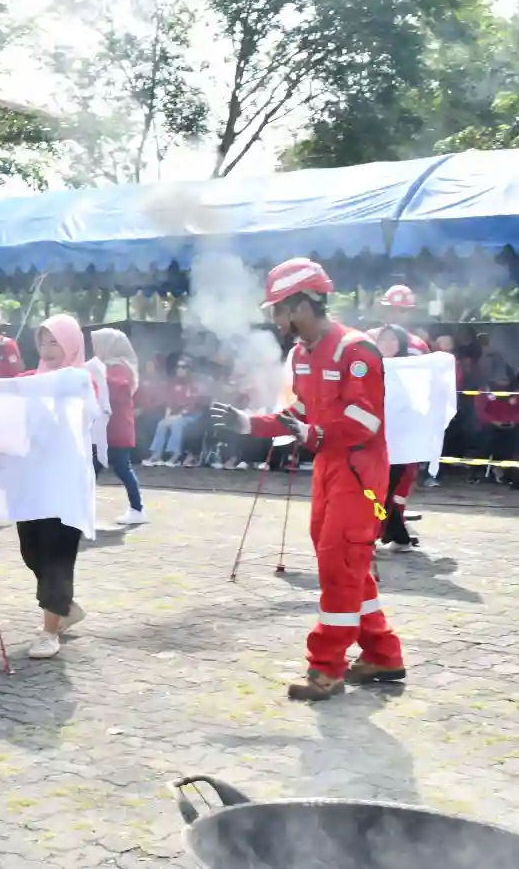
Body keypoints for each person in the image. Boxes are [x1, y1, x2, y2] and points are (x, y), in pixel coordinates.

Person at [212, 257, 406, 702]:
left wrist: (312, 434)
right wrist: (249, 423)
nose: (276, 320)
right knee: (345, 561)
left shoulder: (357, 351)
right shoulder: (301, 355)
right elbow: (298, 413)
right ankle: (382, 653)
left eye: (280, 310)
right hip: (329, 468)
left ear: (302, 304)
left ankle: (326, 668)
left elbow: (366, 421)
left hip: (359, 471)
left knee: (339, 561)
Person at [20, 314, 91, 659]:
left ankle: (50, 631)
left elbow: (82, 418)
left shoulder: (81, 382)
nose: (47, 349)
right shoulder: (31, 381)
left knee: (56, 556)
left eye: (55, 342)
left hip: (65, 485)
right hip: (33, 482)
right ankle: (65, 607)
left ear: (72, 346)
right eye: (43, 342)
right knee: (31, 551)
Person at [374, 325, 423, 552]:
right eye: (382, 339)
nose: (387, 344)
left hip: (398, 442)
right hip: (372, 438)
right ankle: (400, 538)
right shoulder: (368, 366)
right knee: (378, 491)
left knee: (383, 491)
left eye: (392, 340)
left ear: (401, 344)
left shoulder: (409, 370)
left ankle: (369, 537)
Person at [91, 328, 146, 527]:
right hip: (105, 428)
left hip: (117, 428)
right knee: (93, 470)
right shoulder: (107, 366)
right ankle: (83, 510)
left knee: (122, 469)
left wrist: (97, 377)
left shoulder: (121, 367)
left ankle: (137, 509)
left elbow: (119, 388)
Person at [143, 355, 202, 466]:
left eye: (183, 367)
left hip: (192, 415)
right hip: (178, 414)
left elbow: (192, 406)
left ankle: (175, 456)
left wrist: (176, 417)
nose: (180, 369)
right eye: (178, 367)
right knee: (162, 424)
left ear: (189, 370)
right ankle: (156, 454)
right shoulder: (174, 383)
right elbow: (170, 404)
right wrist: (167, 418)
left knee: (177, 424)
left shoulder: (194, 385)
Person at [368, 285, 430, 354]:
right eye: (391, 309)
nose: (395, 314)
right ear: (384, 310)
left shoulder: (419, 346)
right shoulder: (369, 339)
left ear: (411, 312)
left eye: (402, 310)